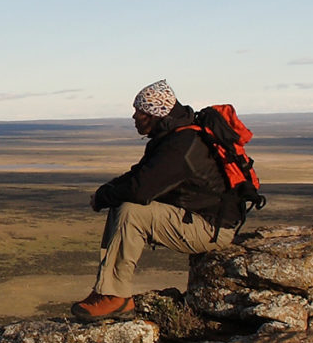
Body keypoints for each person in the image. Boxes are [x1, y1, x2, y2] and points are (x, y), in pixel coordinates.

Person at [73, 79, 241, 319]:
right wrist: (106, 192)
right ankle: (106, 289)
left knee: (131, 211)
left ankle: (115, 296)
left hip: (211, 229)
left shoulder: (182, 146)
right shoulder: (174, 137)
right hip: (200, 220)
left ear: (155, 113)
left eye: (139, 111)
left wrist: (103, 197)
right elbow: (141, 174)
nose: (134, 117)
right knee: (121, 204)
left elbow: (141, 189)